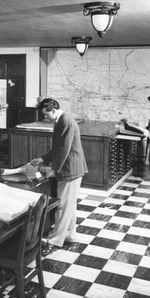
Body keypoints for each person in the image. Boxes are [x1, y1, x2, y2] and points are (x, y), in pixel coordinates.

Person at [30, 98, 88, 250]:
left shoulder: (65, 121)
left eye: (46, 114)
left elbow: (64, 150)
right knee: (69, 205)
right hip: (70, 168)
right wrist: (42, 159)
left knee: (63, 205)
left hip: (70, 170)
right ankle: (70, 235)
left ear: (53, 110)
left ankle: (55, 240)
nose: (45, 117)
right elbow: (58, 148)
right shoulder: (60, 120)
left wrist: (53, 170)